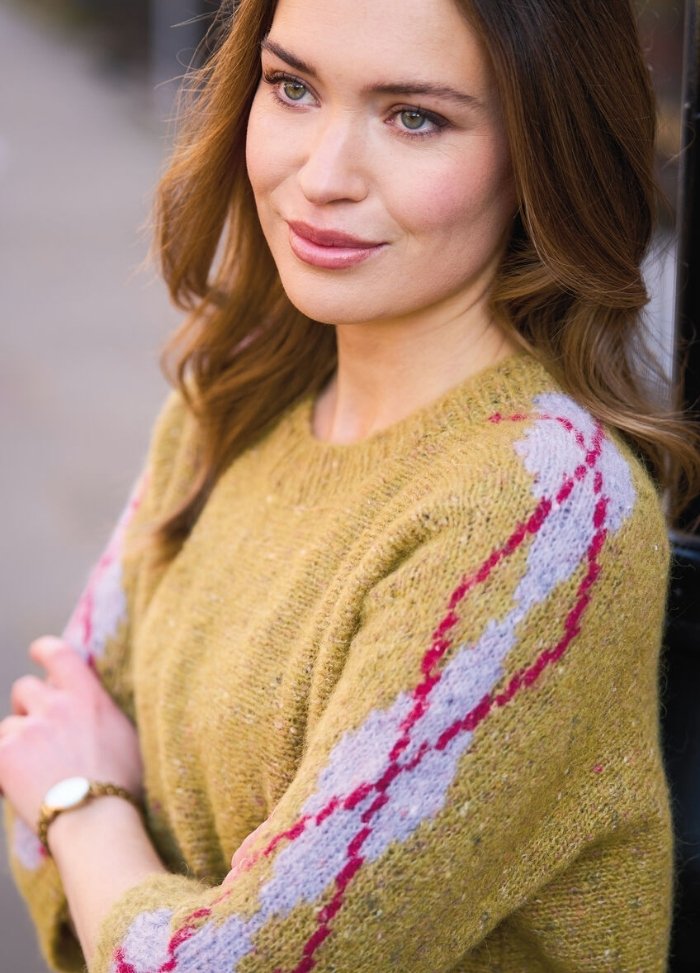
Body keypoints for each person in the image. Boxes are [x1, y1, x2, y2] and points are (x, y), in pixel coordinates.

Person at [2, 0, 699, 970]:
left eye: (415, 117)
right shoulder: (236, 398)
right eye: (291, 87)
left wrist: (88, 806)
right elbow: (41, 743)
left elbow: (79, 817)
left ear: (543, 148)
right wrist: (99, 840)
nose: (320, 176)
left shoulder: (539, 514)